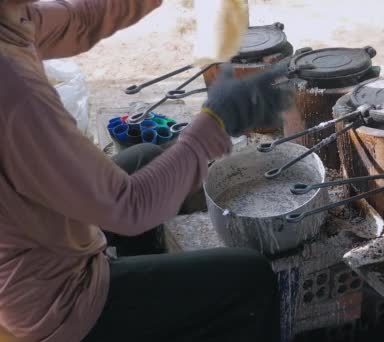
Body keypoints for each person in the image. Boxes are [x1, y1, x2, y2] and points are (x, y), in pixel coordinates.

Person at [0, 1, 292, 341]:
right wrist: (216, 122)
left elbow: (80, 19)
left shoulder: (11, 21)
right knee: (250, 279)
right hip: (52, 304)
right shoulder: (16, 93)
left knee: (145, 158)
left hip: (34, 230)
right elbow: (130, 205)